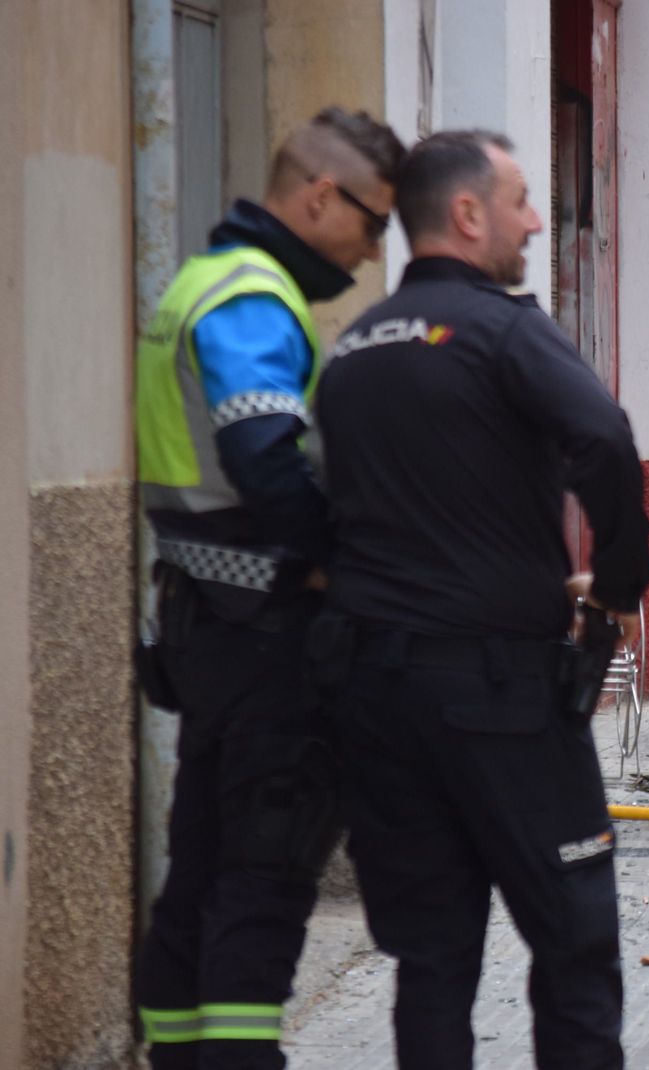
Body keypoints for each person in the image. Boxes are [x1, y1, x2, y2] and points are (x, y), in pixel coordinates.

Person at [314, 129, 649, 1069]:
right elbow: (605, 439)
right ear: (467, 215)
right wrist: (617, 588)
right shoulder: (503, 329)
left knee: (430, 957)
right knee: (575, 943)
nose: (536, 220)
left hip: (377, 698)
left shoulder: (350, 350)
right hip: (499, 692)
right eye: (519, 199)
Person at [132, 106, 403, 1070]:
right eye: (373, 223)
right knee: (264, 878)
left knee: (199, 871)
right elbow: (261, 447)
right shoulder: (252, 296)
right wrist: (329, 553)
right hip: (265, 631)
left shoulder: (199, 279)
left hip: (205, 621)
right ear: (320, 197)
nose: (373, 252)